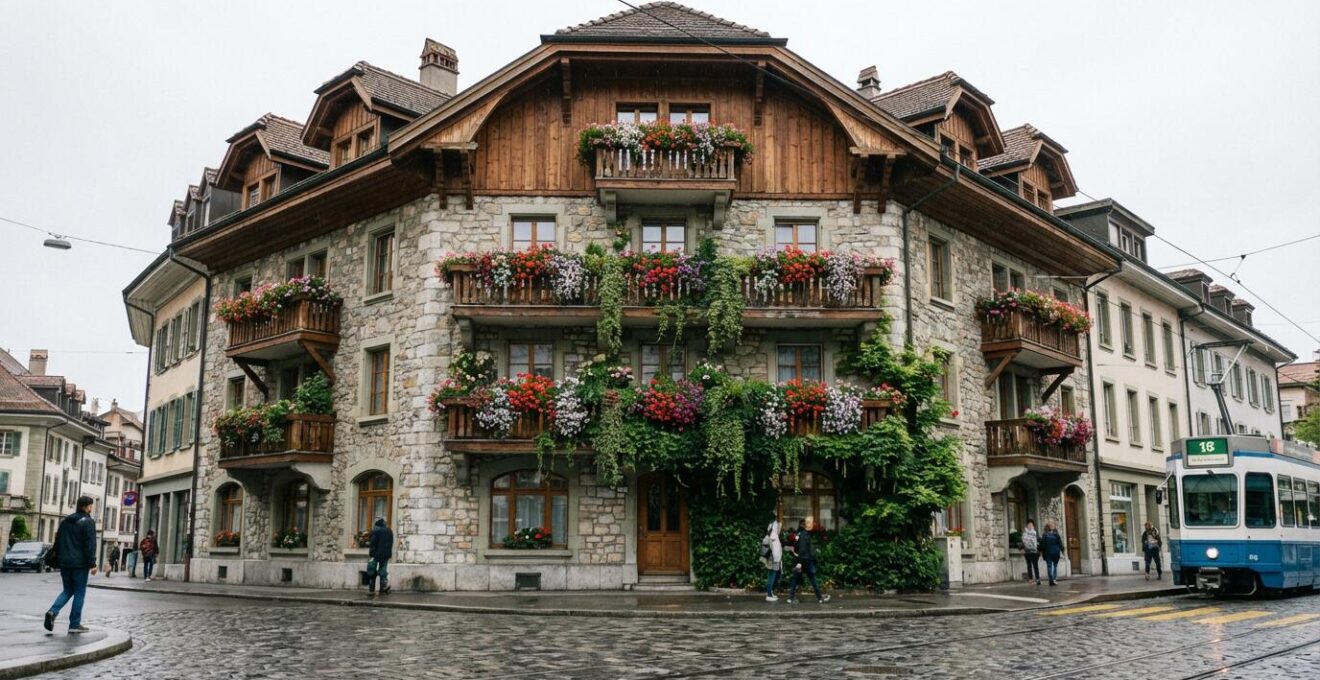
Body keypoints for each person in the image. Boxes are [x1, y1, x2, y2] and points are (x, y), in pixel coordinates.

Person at [43, 496, 97, 634]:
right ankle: (74, 624)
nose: (92, 508)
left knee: (67, 590)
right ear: (86, 506)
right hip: (80, 563)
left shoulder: (66, 521)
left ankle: (52, 611)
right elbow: (89, 545)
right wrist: (92, 563)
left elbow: (58, 541)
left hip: (65, 562)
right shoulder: (88, 522)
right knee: (79, 591)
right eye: (91, 506)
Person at [786, 517, 830, 604]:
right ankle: (820, 598)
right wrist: (800, 563)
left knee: (796, 579)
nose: (813, 524)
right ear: (808, 524)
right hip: (805, 562)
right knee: (811, 579)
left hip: (804, 561)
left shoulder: (804, 534)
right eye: (812, 522)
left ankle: (791, 598)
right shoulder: (804, 535)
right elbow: (802, 550)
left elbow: (799, 548)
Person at [367, 517, 393, 595]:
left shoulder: (376, 531)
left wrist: (371, 554)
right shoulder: (389, 531)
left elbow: (373, 543)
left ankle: (372, 588)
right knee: (383, 571)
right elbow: (390, 543)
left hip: (376, 554)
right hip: (386, 555)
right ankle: (383, 587)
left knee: (372, 570)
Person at [762, 519, 783, 602]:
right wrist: (778, 559)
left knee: (772, 576)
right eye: (778, 527)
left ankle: (770, 593)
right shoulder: (774, 536)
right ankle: (769, 595)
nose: (779, 528)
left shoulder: (771, 534)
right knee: (771, 576)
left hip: (773, 559)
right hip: (774, 559)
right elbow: (775, 549)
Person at [1039, 521, 1064, 586]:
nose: (1053, 526)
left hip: (1050, 553)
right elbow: (1060, 544)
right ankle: (1053, 579)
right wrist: (1062, 550)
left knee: (1050, 566)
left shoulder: (1046, 534)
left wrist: (1040, 550)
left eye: (1053, 525)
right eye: (1052, 525)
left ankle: (1052, 580)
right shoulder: (1055, 534)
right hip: (1053, 552)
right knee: (1053, 566)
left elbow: (1042, 544)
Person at [1021, 519, 1041, 585]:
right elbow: (1022, 541)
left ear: (1033, 526)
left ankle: (1037, 579)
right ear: (1027, 525)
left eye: (1031, 524)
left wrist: (1039, 549)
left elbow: (1038, 540)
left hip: (1035, 551)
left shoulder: (1035, 532)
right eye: (1029, 524)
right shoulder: (1025, 532)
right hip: (1027, 551)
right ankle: (1031, 579)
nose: (1030, 525)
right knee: (1029, 565)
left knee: (1035, 565)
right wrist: (1022, 548)